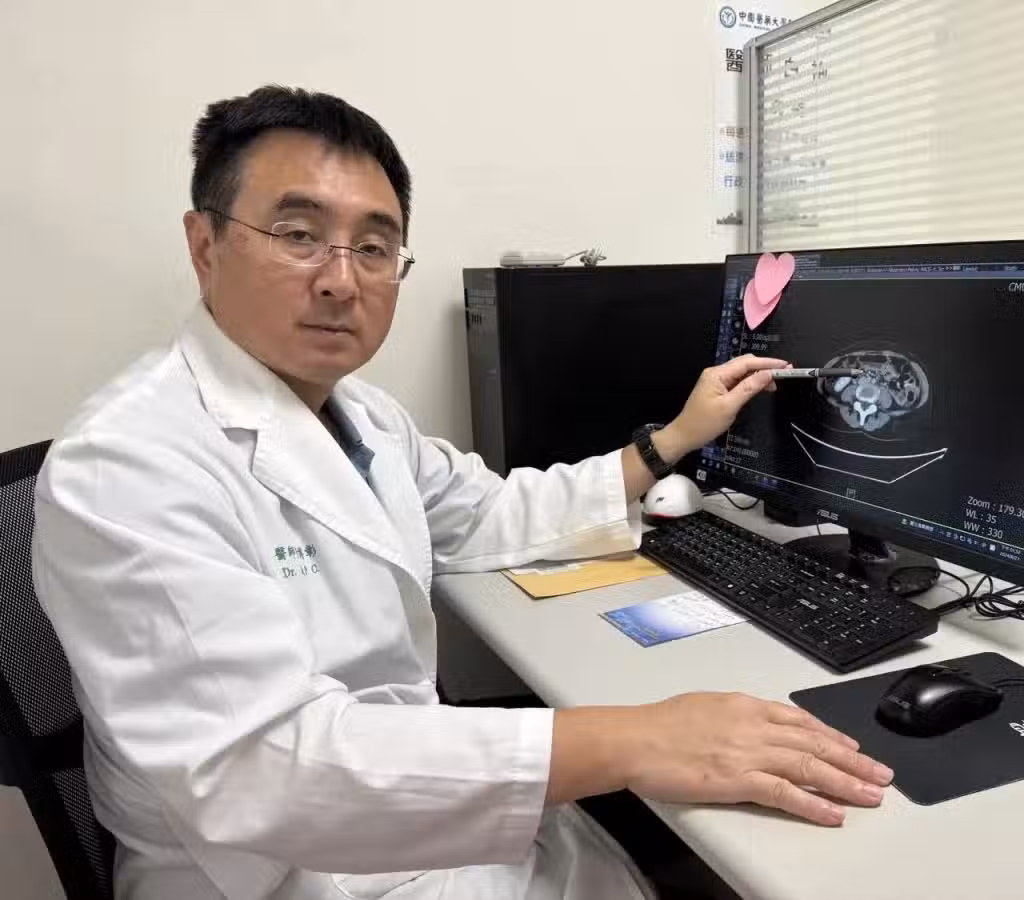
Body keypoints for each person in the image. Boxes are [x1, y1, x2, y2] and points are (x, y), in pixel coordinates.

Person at [31, 85, 893, 900]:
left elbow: (487, 513)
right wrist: (636, 735)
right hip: (285, 873)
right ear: (205, 245)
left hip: (407, 817)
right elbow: (268, 768)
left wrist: (670, 441)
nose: (341, 279)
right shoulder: (128, 464)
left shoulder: (362, 415)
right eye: (299, 234)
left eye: (374, 247)